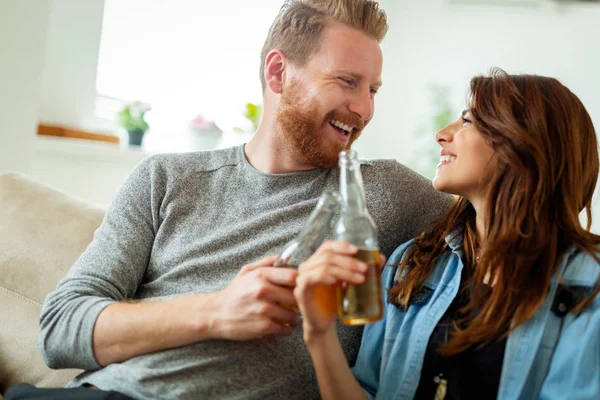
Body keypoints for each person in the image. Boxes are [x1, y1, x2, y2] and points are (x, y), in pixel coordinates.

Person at [3, 1, 451, 400]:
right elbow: (59, 329)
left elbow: (507, 219)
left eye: (372, 90)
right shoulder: (165, 179)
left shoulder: (387, 194)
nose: (364, 109)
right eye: (346, 81)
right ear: (278, 73)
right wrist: (218, 310)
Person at [294, 69, 600, 400]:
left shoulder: (589, 286)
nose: (442, 135)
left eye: (468, 121)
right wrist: (319, 332)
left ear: (524, 143)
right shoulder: (412, 264)